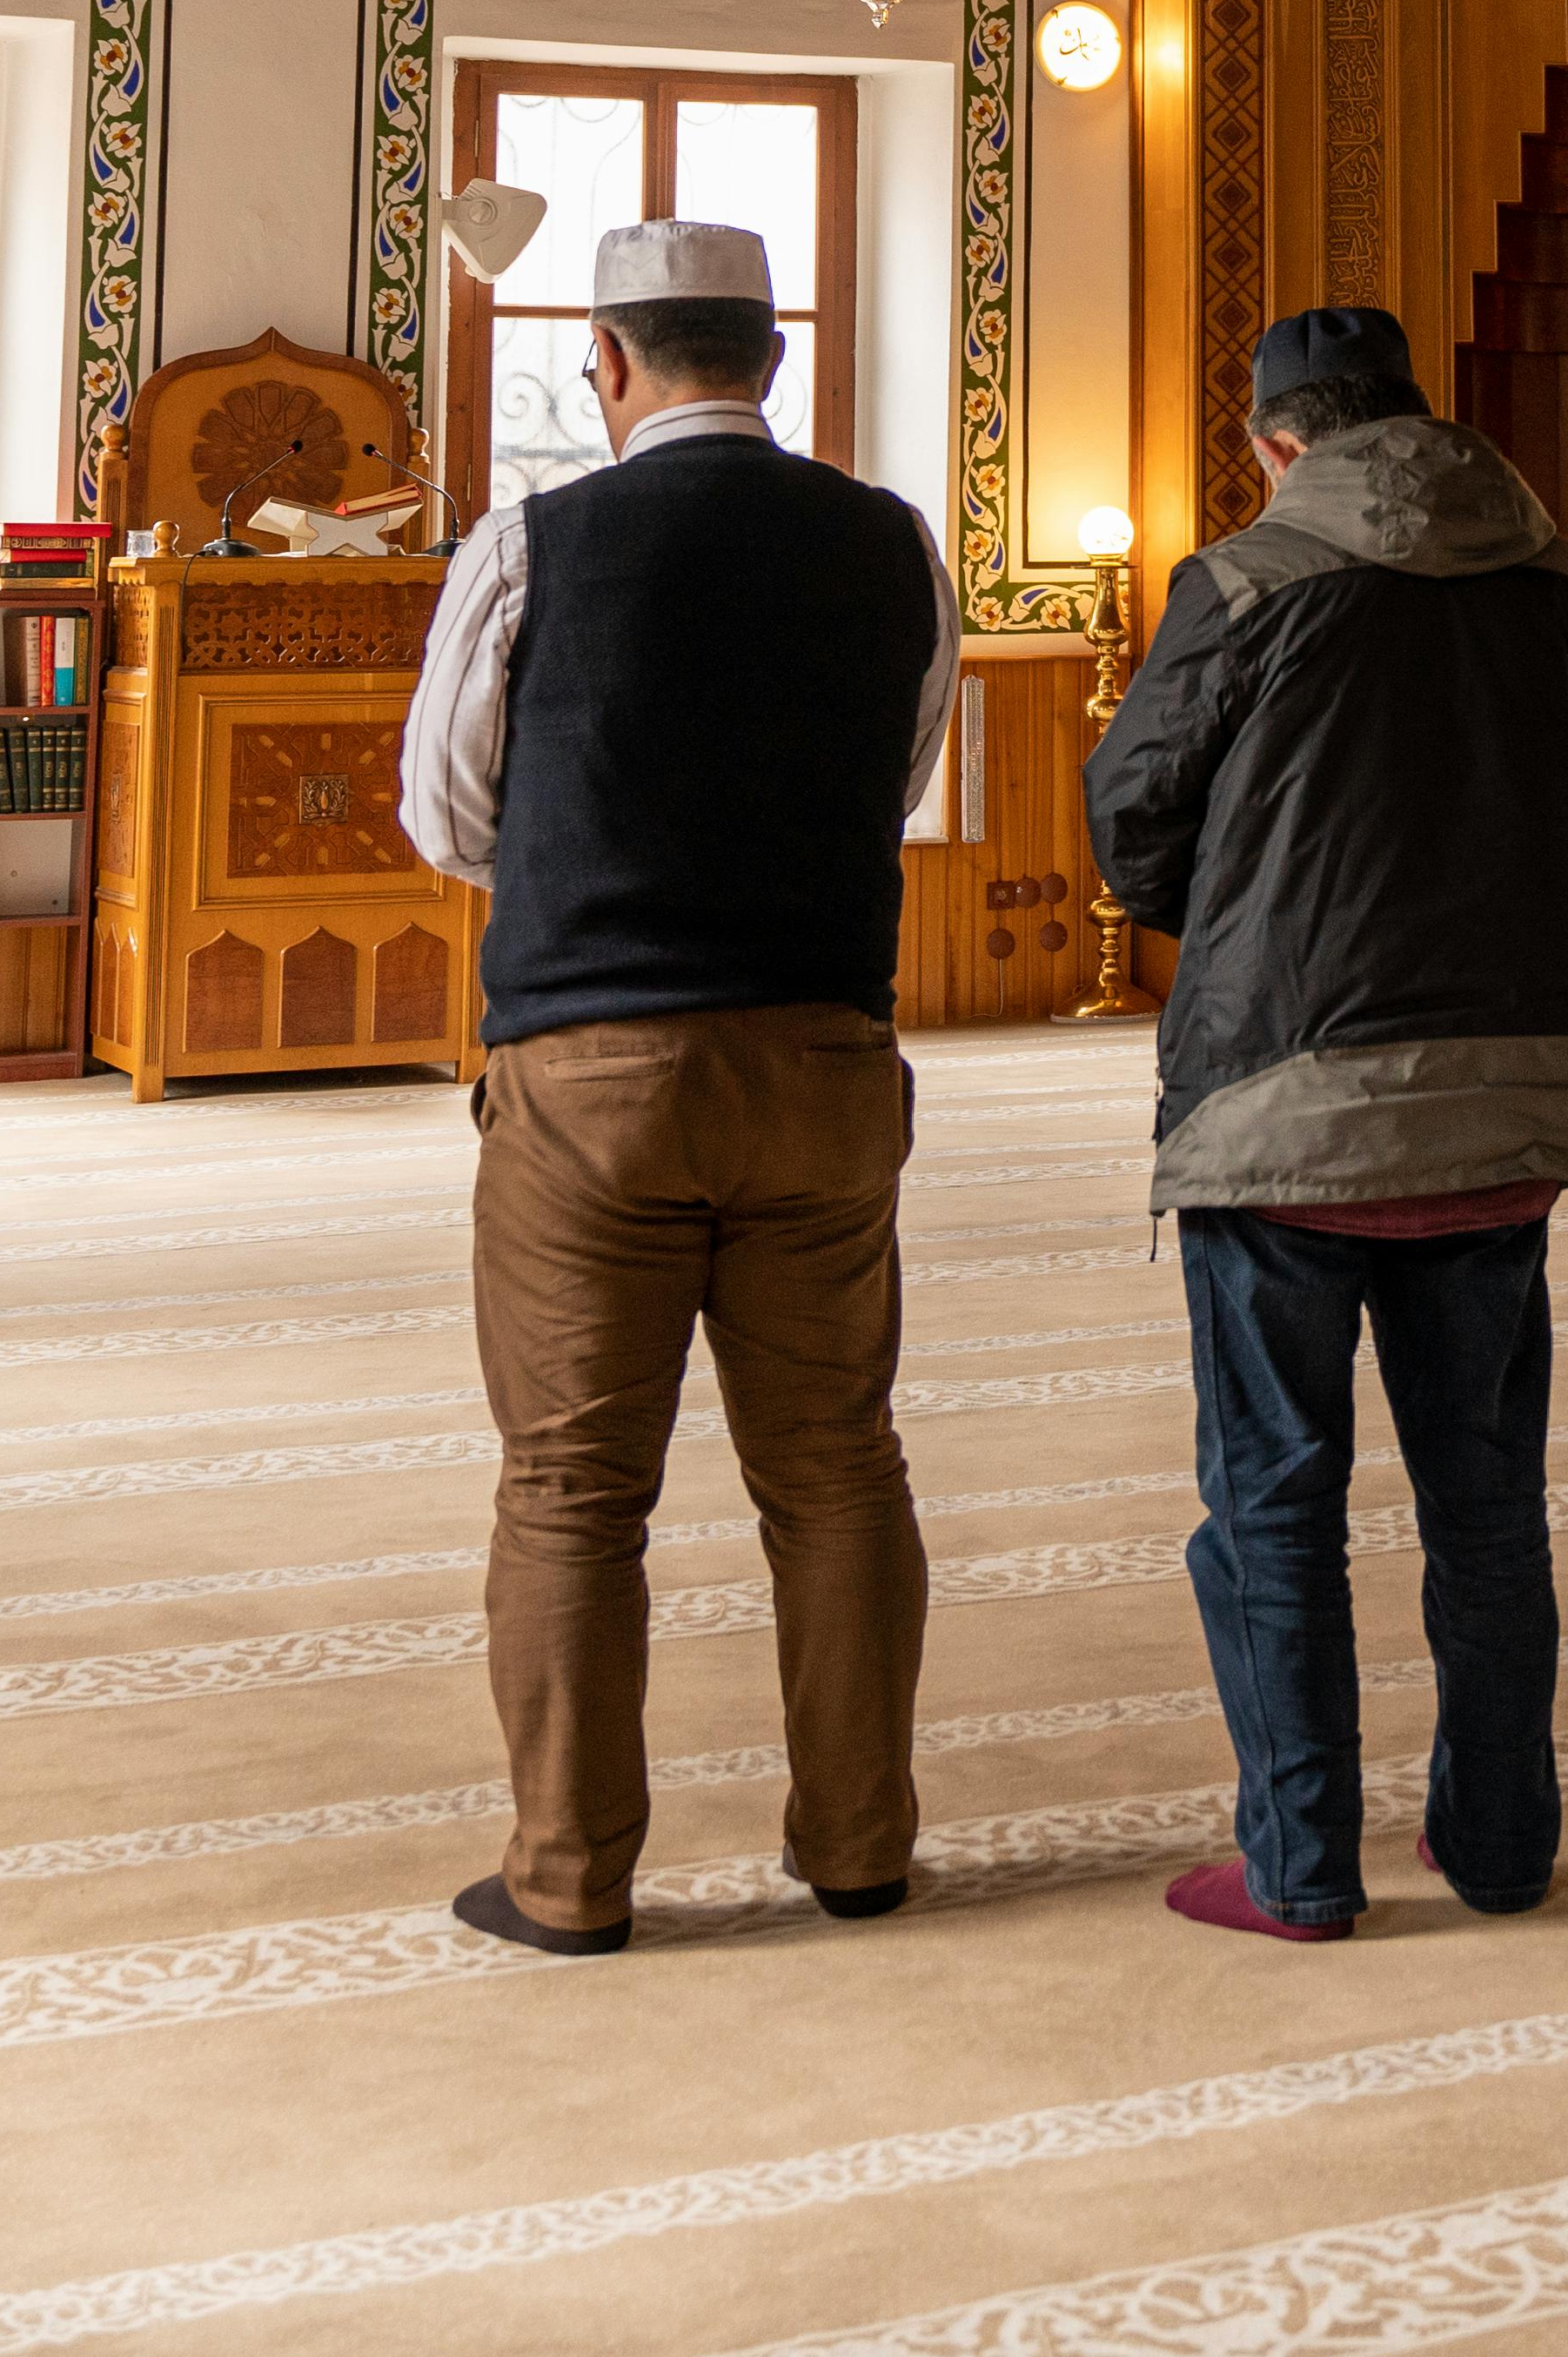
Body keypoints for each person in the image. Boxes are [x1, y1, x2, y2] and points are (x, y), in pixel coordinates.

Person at [398, 222, 959, 1957]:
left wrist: (596, 860)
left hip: (592, 1072)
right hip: (821, 1058)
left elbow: (449, 812)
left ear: (609, 362)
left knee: (573, 1491)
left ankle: (570, 1880)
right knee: (838, 1467)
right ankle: (859, 1844)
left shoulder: (533, 540)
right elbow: (902, 783)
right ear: (769, 363)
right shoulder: (893, 546)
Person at [1082, 304, 1568, 1943]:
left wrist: (1249, 906)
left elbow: (1133, 826)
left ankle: (1301, 1868)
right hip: (1509, 1102)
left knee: (1274, 1497)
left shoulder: (1245, 583)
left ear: (1276, 443)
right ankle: (1499, 1849)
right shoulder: (1567, 581)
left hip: (1287, 1108)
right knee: (1486, 1501)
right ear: (1420, 417)